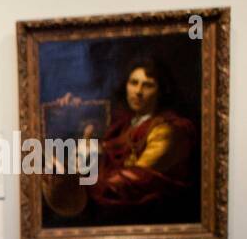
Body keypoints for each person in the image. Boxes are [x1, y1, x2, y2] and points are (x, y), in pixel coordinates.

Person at [42, 56, 196, 223]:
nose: (138, 91)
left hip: (144, 216)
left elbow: (139, 179)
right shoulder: (124, 124)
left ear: (161, 91)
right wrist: (72, 114)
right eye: (133, 83)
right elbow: (101, 155)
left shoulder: (169, 130)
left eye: (148, 85)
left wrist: (83, 184)